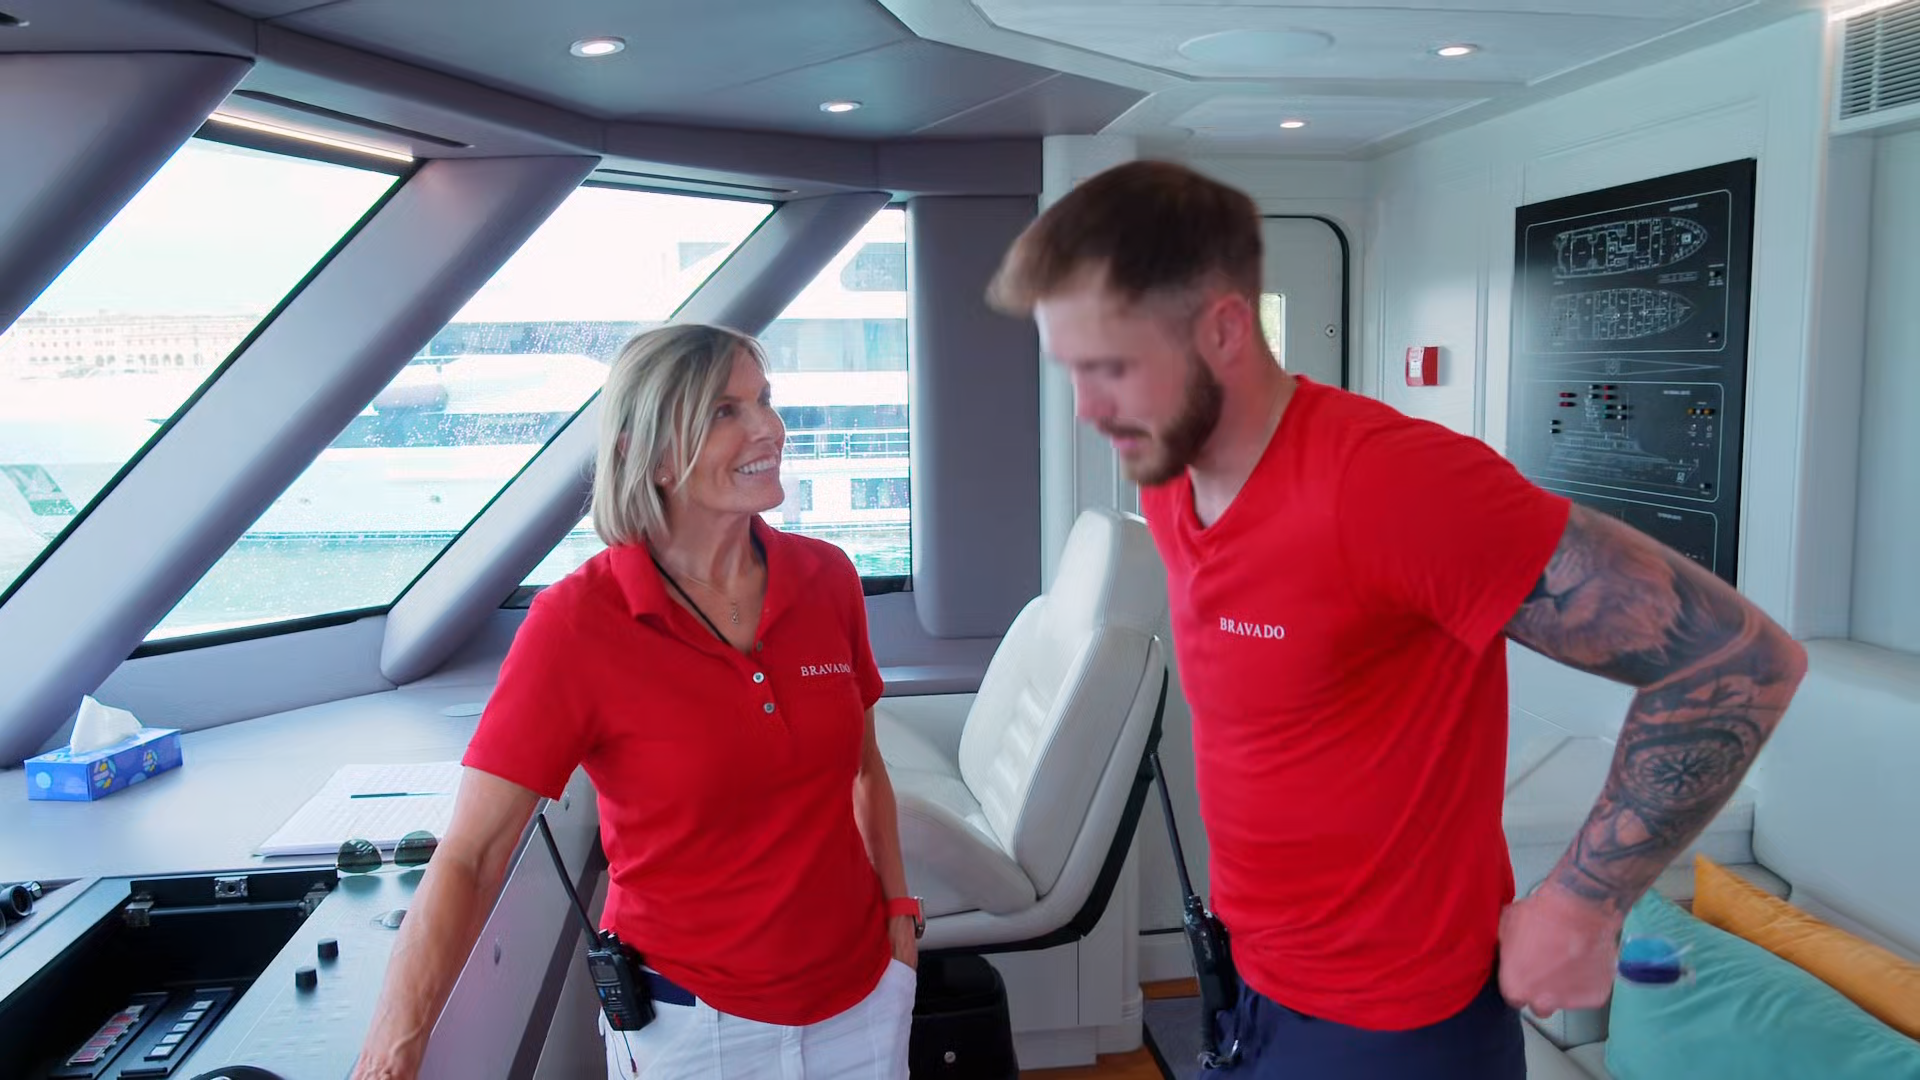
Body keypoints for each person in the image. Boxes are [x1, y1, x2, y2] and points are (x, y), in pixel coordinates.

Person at [985, 160, 1808, 1078]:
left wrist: (1582, 905)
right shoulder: (1170, 479)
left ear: (1223, 329)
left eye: (1111, 368)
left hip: (1401, 1031)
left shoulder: (1391, 486)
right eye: (1072, 370)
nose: (1087, 409)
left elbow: (1738, 661)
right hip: (1257, 989)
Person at [351, 324, 923, 1080]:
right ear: (650, 455)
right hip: (692, 1028)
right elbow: (472, 856)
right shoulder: (576, 624)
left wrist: (899, 915)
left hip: (861, 1002)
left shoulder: (828, 578)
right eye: (725, 411)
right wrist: (392, 1053)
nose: (769, 428)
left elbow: (864, 771)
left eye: (765, 399)